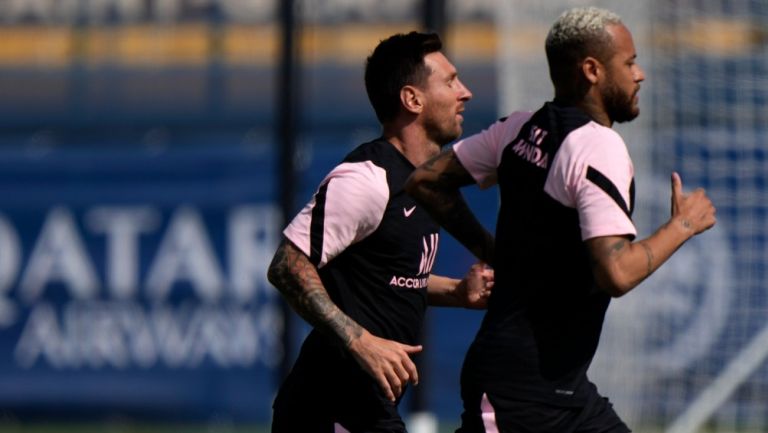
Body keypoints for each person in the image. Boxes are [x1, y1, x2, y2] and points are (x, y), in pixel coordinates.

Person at [405, 7, 717, 433]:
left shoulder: (518, 128)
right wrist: (684, 224)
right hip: (521, 393)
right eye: (628, 63)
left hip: (561, 389)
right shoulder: (597, 146)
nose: (639, 74)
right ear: (591, 70)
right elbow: (616, 273)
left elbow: (427, 181)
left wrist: (494, 251)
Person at [267, 31, 493, 433]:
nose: (466, 93)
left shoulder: (421, 184)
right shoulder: (367, 178)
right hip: (326, 406)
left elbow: (387, 279)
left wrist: (458, 293)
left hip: (364, 408)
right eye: (450, 81)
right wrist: (360, 341)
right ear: (413, 99)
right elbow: (286, 265)